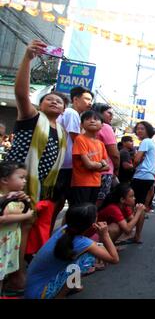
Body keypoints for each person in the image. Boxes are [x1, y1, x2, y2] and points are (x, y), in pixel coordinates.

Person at [5, 40, 69, 294]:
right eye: (49, 99)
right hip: (13, 182)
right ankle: (16, 276)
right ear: (40, 105)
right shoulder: (32, 118)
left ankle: (17, 274)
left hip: (39, 188)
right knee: (13, 226)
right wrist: (27, 58)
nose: (54, 102)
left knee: (25, 227)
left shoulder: (61, 132)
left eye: (59, 101)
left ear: (64, 109)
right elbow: (21, 94)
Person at [25, 204, 119, 299]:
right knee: (88, 258)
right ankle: (60, 296)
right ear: (92, 224)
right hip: (40, 294)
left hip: (30, 287)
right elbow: (114, 259)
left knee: (94, 249)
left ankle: (72, 284)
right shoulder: (83, 243)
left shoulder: (65, 229)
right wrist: (105, 235)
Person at [53, 86, 94, 228]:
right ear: (75, 100)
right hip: (65, 165)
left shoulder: (73, 114)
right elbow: (76, 138)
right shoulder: (72, 113)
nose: (90, 103)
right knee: (58, 203)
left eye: (91, 100)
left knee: (61, 202)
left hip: (66, 165)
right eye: (87, 99)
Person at [0, 162, 34, 297]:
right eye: (21, 177)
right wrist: (26, 215)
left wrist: (24, 200)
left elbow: (24, 208)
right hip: (2, 242)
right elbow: (2, 219)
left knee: (2, 274)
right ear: (4, 179)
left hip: (9, 243)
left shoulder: (16, 196)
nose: (24, 181)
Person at [71, 111, 109, 206]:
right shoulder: (80, 139)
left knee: (89, 211)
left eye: (96, 119)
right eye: (87, 119)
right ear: (82, 124)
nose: (92, 121)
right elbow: (88, 165)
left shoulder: (101, 144)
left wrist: (95, 165)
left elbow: (107, 167)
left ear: (101, 125)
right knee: (79, 211)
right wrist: (101, 164)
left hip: (96, 183)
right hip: (81, 183)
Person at [93, 103, 120, 207]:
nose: (111, 116)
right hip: (104, 172)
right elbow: (114, 154)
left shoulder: (85, 125)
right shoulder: (105, 127)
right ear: (100, 112)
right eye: (109, 113)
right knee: (97, 205)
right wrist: (116, 169)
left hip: (88, 171)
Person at [130, 122, 155, 210]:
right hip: (148, 177)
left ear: (148, 130)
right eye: (137, 129)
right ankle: (137, 223)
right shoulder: (150, 142)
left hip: (141, 176)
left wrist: (132, 167)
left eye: (142, 128)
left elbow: (137, 159)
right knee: (141, 206)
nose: (139, 131)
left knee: (134, 205)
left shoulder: (145, 141)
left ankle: (132, 223)